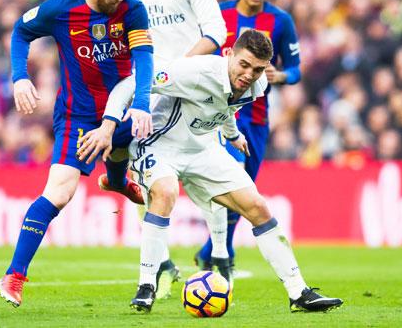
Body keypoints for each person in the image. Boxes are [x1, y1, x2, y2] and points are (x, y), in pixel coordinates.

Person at [77, 30, 342, 314]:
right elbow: (129, 85)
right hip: (160, 144)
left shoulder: (258, 84)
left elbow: (226, 107)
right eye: (244, 64)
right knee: (166, 192)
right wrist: (108, 125)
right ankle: (146, 286)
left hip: (204, 149)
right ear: (228, 55)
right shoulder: (193, 72)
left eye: (257, 69)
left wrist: (233, 134)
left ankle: (298, 292)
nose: (249, 74)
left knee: (258, 207)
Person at [0, 0, 154, 308]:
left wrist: (142, 104)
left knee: (126, 151)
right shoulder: (61, 7)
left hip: (127, 107)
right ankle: (15, 275)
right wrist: (20, 77)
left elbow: (145, 58)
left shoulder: (133, 8)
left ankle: (116, 181)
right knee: (61, 192)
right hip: (78, 116)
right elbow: (21, 32)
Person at [98, 0, 228, 299]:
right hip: (146, 96)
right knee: (152, 180)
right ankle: (156, 270)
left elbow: (216, 31)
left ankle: (221, 255)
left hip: (191, 93)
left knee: (212, 181)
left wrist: (178, 72)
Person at [195, 0, 302, 275]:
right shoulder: (219, 14)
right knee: (234, 180)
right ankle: (221, 254)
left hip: (256, 117)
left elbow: (296, 70)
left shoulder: (280, 21)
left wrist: (278, 76)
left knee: (246, 191)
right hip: (220, 115)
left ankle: (209, 251)